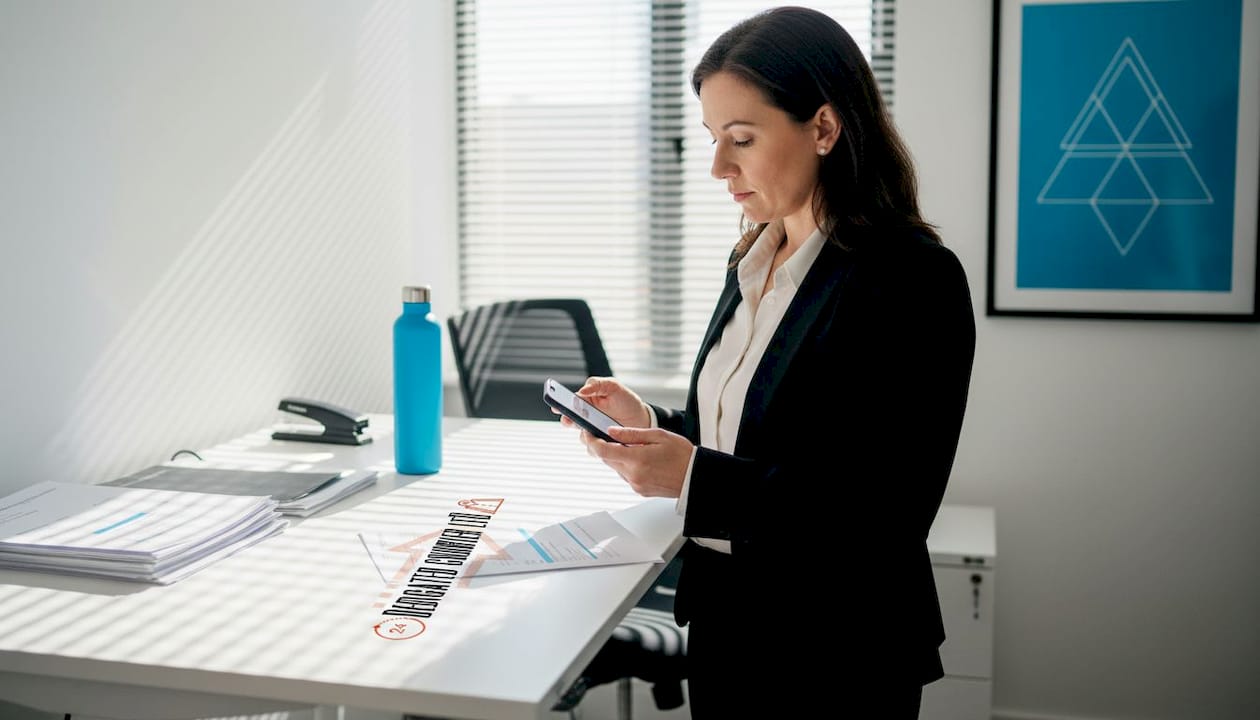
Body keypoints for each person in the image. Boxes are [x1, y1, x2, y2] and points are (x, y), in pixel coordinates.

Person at [557, 6, 975, 718]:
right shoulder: (756, 255)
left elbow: (881, 513)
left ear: (823, 127)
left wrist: (689, 477)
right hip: (729, 627)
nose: (718, 167)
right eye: (713, 139)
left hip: (835, 652)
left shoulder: (910, 279)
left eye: (742, 139)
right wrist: (653, 423)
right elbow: (760, 434)